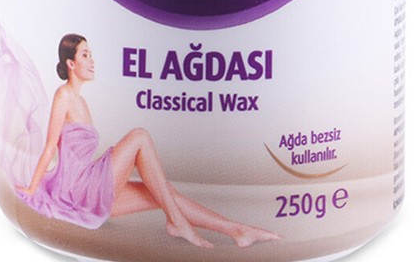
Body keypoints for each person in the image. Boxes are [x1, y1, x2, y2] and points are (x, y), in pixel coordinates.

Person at [17, 34, 280, 249]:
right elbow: (50, 146)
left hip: (89, 185)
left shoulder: (81, 101)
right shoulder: (63, 96)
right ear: (71, 63)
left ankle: (237, 230)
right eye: (85, 55)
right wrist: (31, 188)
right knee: (139, 137)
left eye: (91, 54)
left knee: (163, 193)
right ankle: (178, 222)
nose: (92, 61)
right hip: (76, 190)